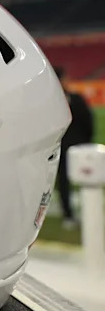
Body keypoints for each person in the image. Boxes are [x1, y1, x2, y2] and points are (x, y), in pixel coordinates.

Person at [56, 66, 94, 229]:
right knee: (87, 179)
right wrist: (86, 140)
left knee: (64, 181)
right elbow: (88, 122)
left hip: (60, 146)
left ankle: (69, 215)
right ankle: (85, 212)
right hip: (76, 147)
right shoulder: (75, 98)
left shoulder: (49, 101)